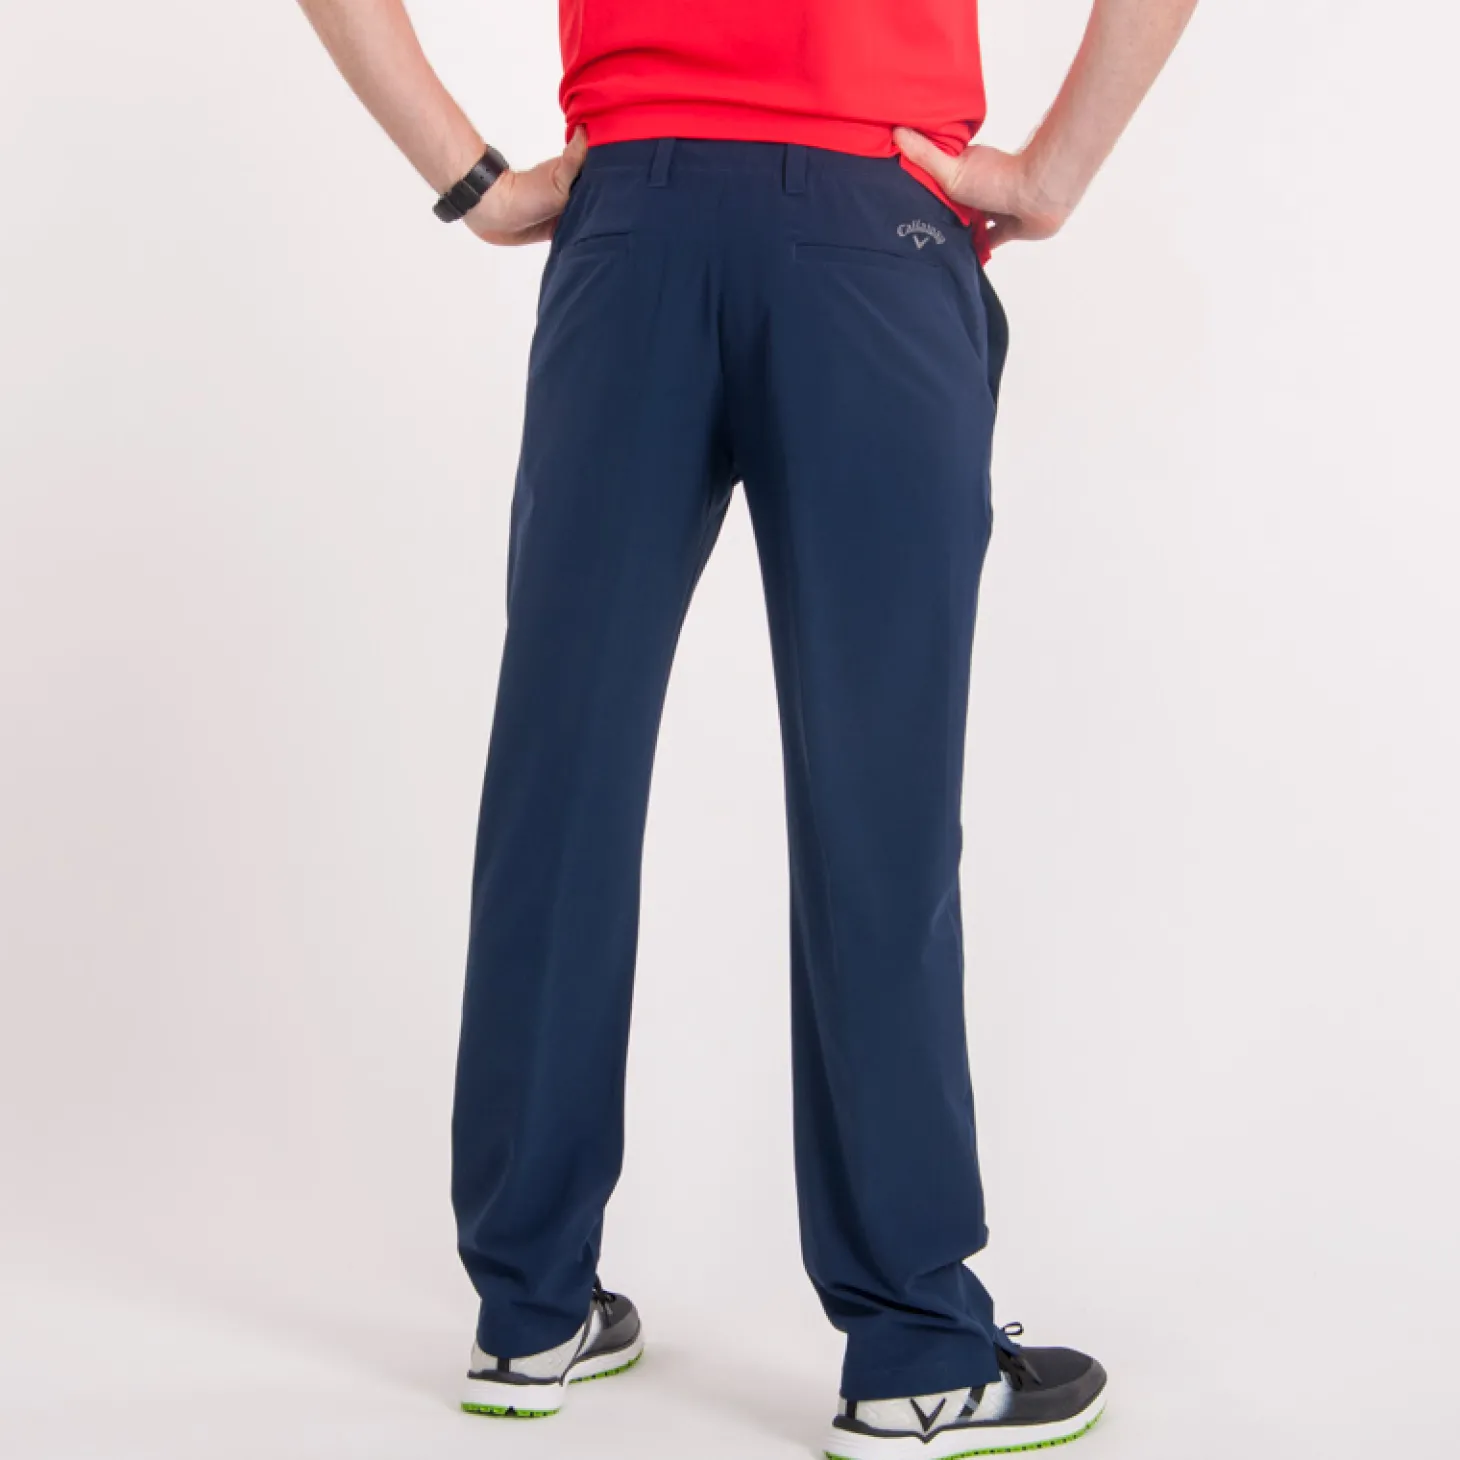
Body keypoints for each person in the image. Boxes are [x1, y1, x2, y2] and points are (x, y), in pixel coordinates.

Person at [297, 1, 1196, 1453]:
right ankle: (912, 1350)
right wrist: (1050, 176)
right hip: (873, 225)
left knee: (561, 780)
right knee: (878, 805)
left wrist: (474, 181)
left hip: (629, 229)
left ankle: (528, 1307)